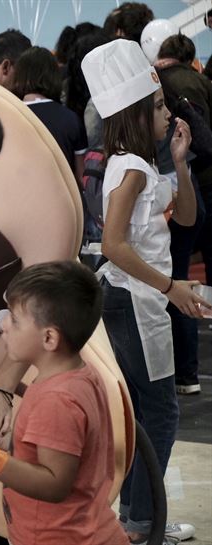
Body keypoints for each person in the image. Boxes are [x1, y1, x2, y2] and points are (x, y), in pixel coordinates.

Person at [82, 39, 207, 544]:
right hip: (136, 299)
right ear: (134, 113)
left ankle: (137, 518)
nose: (165, 113)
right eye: (156, 106)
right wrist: (171, 286)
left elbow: (190, 219)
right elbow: (113, 244)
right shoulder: (129, 167)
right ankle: (139, 521)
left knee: (143, 411)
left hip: (141, 296)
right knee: (159, 409)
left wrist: (180, 161)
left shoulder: (138, 162)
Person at [0, 261, 128, 545]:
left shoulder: (57, 400)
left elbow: (54, 483)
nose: (3, 325)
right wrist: (8, 445)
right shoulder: (74, 376)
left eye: (15, 320)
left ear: (49, 338)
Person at [156, 34, 212, 396]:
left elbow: (114, 244)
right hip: (188, 193)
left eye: (164, 106)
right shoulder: (199, 82)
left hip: (180, 198)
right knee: (177, 282)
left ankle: (183, 373)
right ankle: (186, 374)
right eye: (159, 107)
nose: (166, 114)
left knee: (174, 284)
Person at [13, 47, 87, 180]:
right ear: (53, 76)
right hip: (63, 198)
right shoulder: (70, 119)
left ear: (20, 77)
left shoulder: (9, 116)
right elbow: (82, 177)